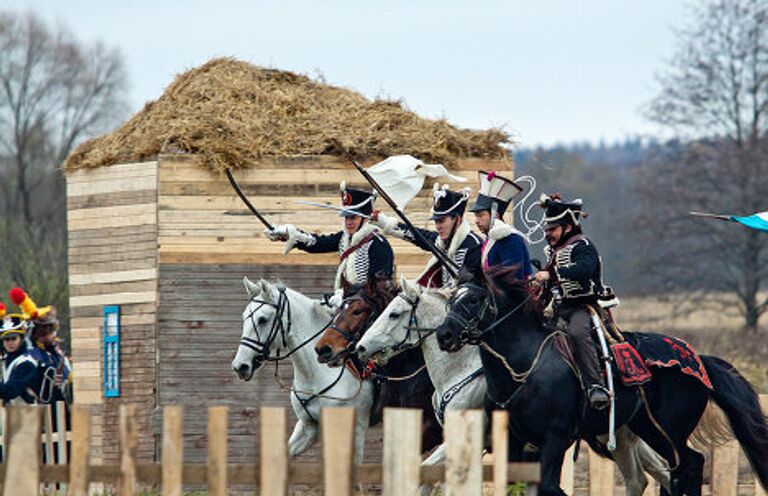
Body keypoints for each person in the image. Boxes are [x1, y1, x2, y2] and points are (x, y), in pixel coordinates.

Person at [532, 193, 614, 410]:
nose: (548, 234)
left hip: (582, 307)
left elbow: (584, 269)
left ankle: (596, 386)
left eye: (553, 229)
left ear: (567, 227)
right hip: (558, 309)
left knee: (578, 333)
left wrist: (552, 275)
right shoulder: (553, 251)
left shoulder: (583, 245)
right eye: (547, 230)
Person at [265, 182, 395, 302]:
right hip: (347, 303)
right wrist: (289, 233)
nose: (348, 222)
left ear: (365, 220)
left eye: (353, 218)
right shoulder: (344, 238)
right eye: (346, 218)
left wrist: (343, 294)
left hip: (371, 308)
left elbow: (378, 286)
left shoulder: (379, 244)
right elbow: (317, 243)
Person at [371, 184, 482, 287]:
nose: (438, 226)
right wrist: (384, 222)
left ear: (457, 219)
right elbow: (417, 235)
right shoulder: (441, 242)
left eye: (442, 221)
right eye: (436, 222)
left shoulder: (474, 246)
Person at [464, 170, 532, 280]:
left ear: (495, 214)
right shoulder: (490, 239)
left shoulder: (511, 239)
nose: (476, 221)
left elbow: (513, 280)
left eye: (481, 215)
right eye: (476, 216)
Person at [11, 287, 72, 404]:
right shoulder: (32, 357)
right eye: (44, 333)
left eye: (51, 331)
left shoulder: (57, 354)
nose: (51, 335)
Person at [0, 301, 41, 405]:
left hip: (28, 414)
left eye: (14, 339)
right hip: (12, 414)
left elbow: (10, 391)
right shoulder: (5, 360)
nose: (10, 343)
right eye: (6, 339)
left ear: (21, 339)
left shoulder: (27, 363)